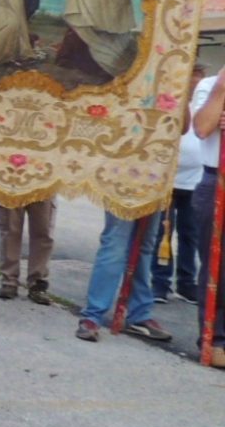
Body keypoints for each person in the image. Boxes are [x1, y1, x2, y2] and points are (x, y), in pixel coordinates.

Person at [74, 209, 170, 344]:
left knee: (145, 246)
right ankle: (93, 315)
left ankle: (139, 315)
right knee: (115, 245)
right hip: (125, 196)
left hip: (155, 196)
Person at [153, 65, 205, 304]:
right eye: (191, 79)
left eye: (198, 80)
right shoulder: (171, 103)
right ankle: (160, 282)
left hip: (195, 181)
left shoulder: (206, 105)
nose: (194, 84)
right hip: (168, 180)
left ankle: (187, 282)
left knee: (190, 235)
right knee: (162, 233)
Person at [191, 63, 225, 368]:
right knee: (218, 267)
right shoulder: (210, 85)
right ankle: (214, 338)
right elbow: (202, 128)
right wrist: (222, 88)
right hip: (216, 181)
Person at [0, 198, 57, 303]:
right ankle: (9, 281)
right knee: (10, 231)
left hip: (44, 189)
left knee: (43, 231)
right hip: (12, 189)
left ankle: (37, 283)